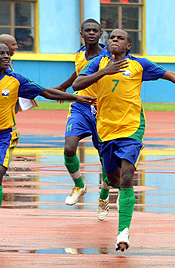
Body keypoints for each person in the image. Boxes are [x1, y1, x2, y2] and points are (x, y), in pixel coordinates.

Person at [72, 28, 175, 252]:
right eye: (113, 38)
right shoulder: (99, 63)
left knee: (127, 177)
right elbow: (77, 84)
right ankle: (106, 191)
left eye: (121, 38)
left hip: (132, 128)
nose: (115, 40)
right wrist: (104, 72)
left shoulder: (139, 64)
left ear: (128, 46)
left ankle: (123, 231)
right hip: (105, 129)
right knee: (114, 179)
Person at [0, 43, 95, 207]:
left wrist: (75, 97)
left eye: (8, 53)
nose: (6, 56)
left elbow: (46, 92)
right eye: (1, 53)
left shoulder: (15, 80)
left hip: (4, 136)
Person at [54, 19, 111, 220]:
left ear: (100, 33)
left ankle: (104, 197)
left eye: (95, 30)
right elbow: (78, 73)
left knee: (106, 159)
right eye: (88, 30)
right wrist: (64, 86)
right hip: (79, 107)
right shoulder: (79, 53)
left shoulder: (107, 57)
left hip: (102, 110)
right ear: (82, 33)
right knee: (69, 148)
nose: (91, 33)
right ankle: (79, 186)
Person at [0, 34, 38, 113]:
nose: (16, 47)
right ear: (4, 45)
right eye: (13, 45)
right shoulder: (3, 64)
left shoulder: (7, 62)